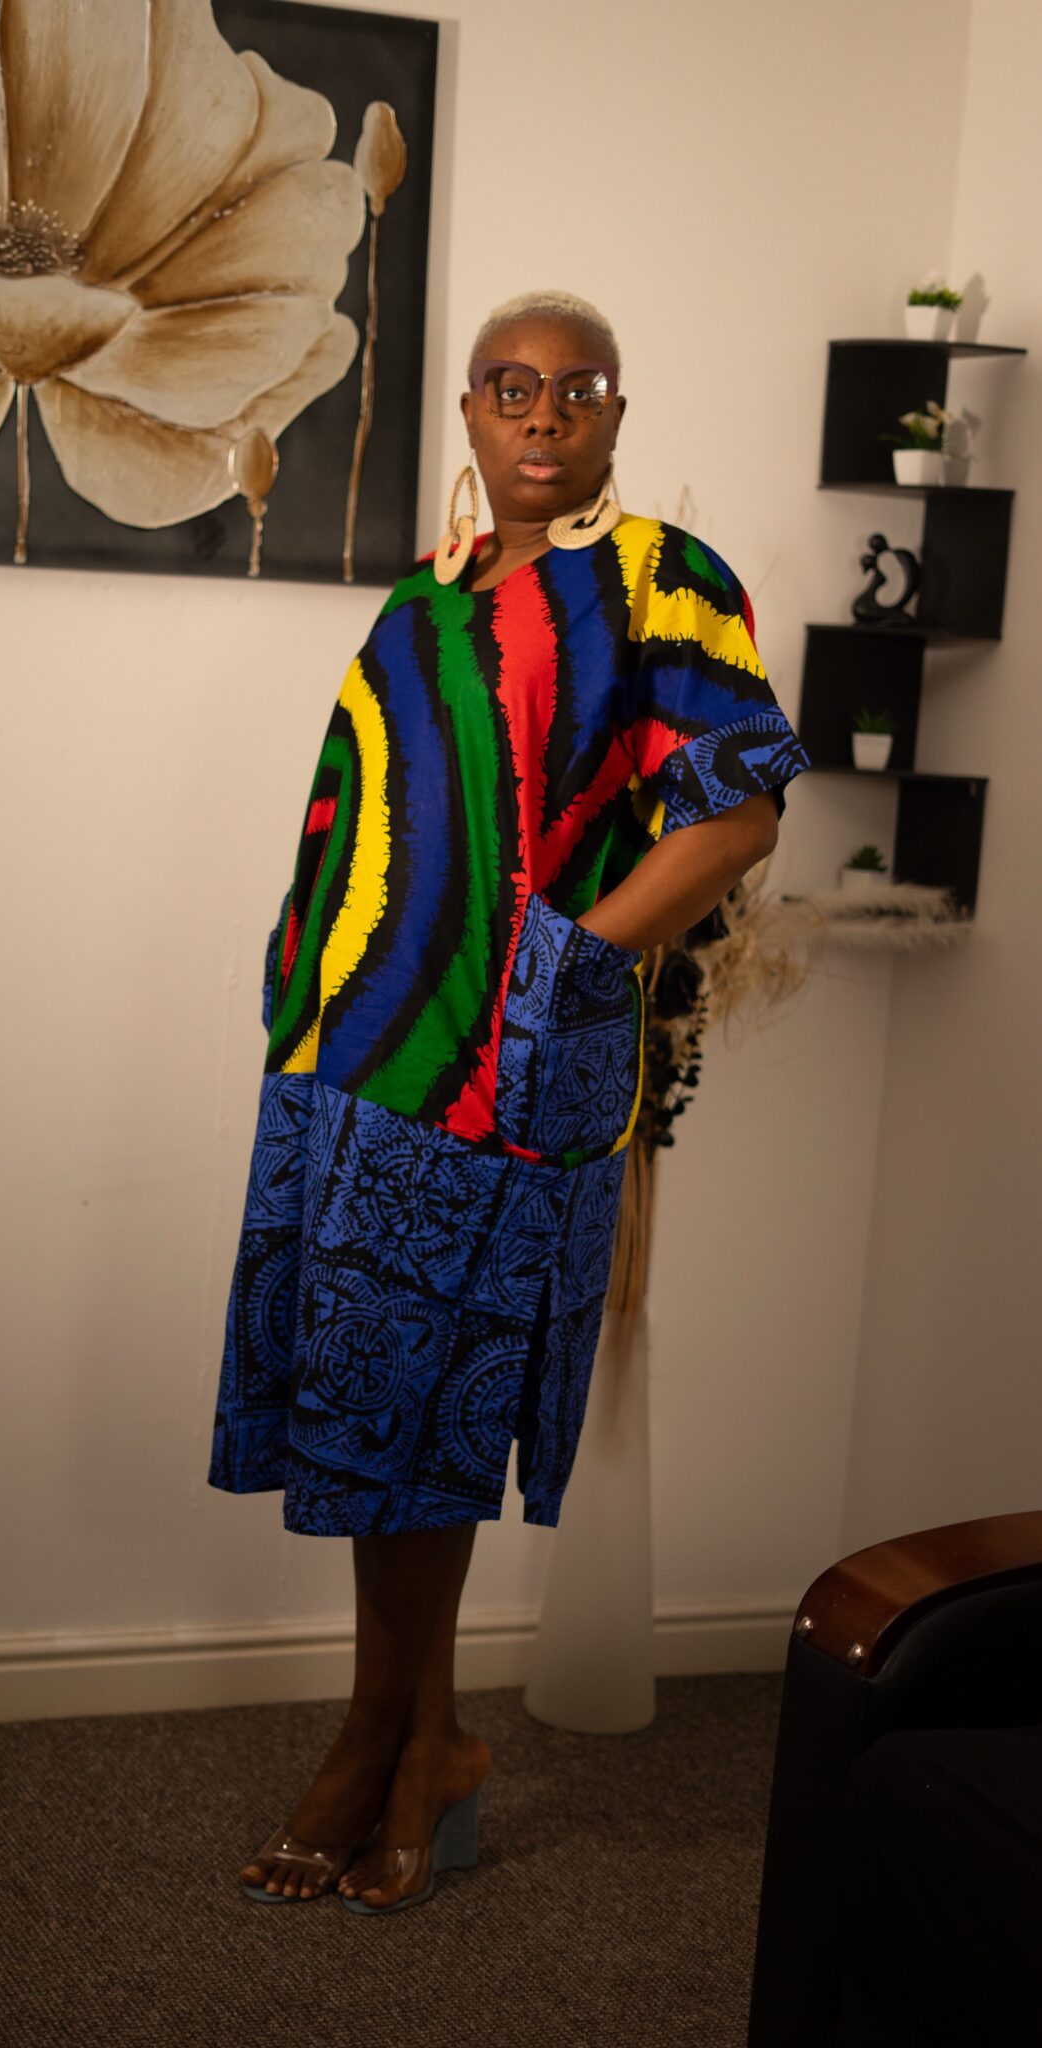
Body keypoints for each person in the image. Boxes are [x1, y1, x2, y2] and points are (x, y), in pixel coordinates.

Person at [209, 288, 813, 1912]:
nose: (541, 416)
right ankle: (409, 1738)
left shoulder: (663, 580)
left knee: (435, 1403)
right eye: (509, 387)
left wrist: (573, 959)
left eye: (576, 389)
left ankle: (392, 1746)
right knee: (370, 1404)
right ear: (469, 412)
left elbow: (738, 809)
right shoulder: (426, 593)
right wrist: (300, 980)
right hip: (355, 1055)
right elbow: (359, 805)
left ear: (615, 415)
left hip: (507, 1066)